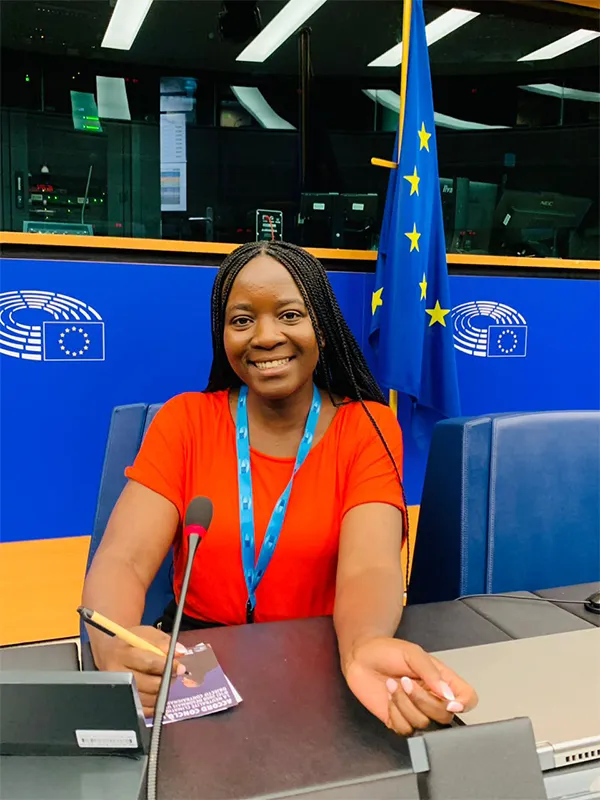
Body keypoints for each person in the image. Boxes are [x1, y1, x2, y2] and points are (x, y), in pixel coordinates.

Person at [83, 240, 477, 735]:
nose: (265, 337)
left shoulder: (368, 427)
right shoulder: (184, 421)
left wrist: (364, 646)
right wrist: (112, 644)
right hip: (197, 662)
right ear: (222, 335)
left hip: (321, 656)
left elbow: (370, 567)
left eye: (290, 315)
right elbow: (123, 558)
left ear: (324, 329)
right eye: (242, 320)